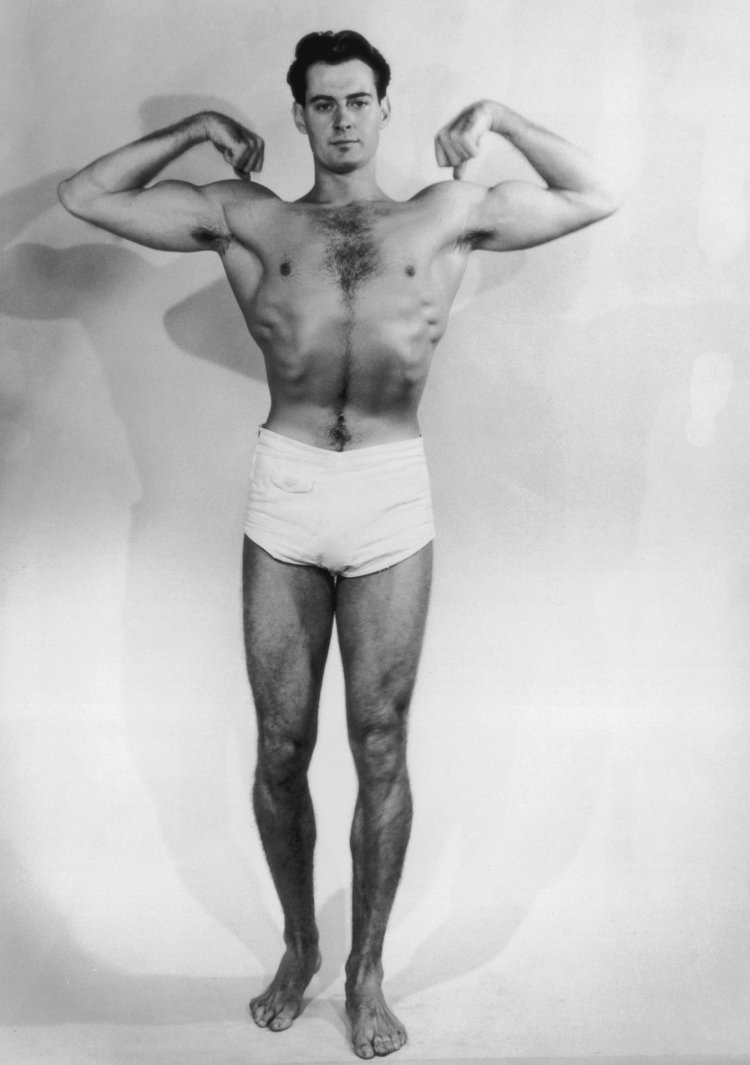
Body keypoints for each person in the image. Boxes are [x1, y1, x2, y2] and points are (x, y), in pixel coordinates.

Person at [58, 28, 620, 1060]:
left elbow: (594, 193)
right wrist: (193, 129)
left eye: (359, 100)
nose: (344, 118)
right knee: (281, 747)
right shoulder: (251, 218)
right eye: (323, 103)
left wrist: (498, 118)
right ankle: (298, 942)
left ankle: (365, 970)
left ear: (384, 108)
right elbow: (86, 197)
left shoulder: (442, 214)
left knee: (380, 741)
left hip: (391, 494)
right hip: (289, 489)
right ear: (300, 115)